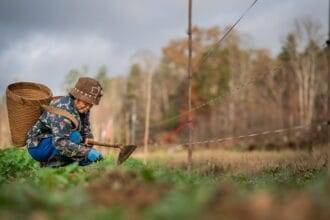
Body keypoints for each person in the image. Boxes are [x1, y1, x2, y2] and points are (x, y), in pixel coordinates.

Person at [26, 77, 103, 167]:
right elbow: (60, 142)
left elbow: (85, 133)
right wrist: (86, 152)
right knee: (75, 136)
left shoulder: (82, 109)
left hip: (53, 141)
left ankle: (72, 163)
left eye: (91, 105)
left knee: (85, 139)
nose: (88, 107)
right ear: (77, 97)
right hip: (38, 146)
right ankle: (52, 166)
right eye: (86, 103)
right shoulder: (62, 109)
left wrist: (89, 147)